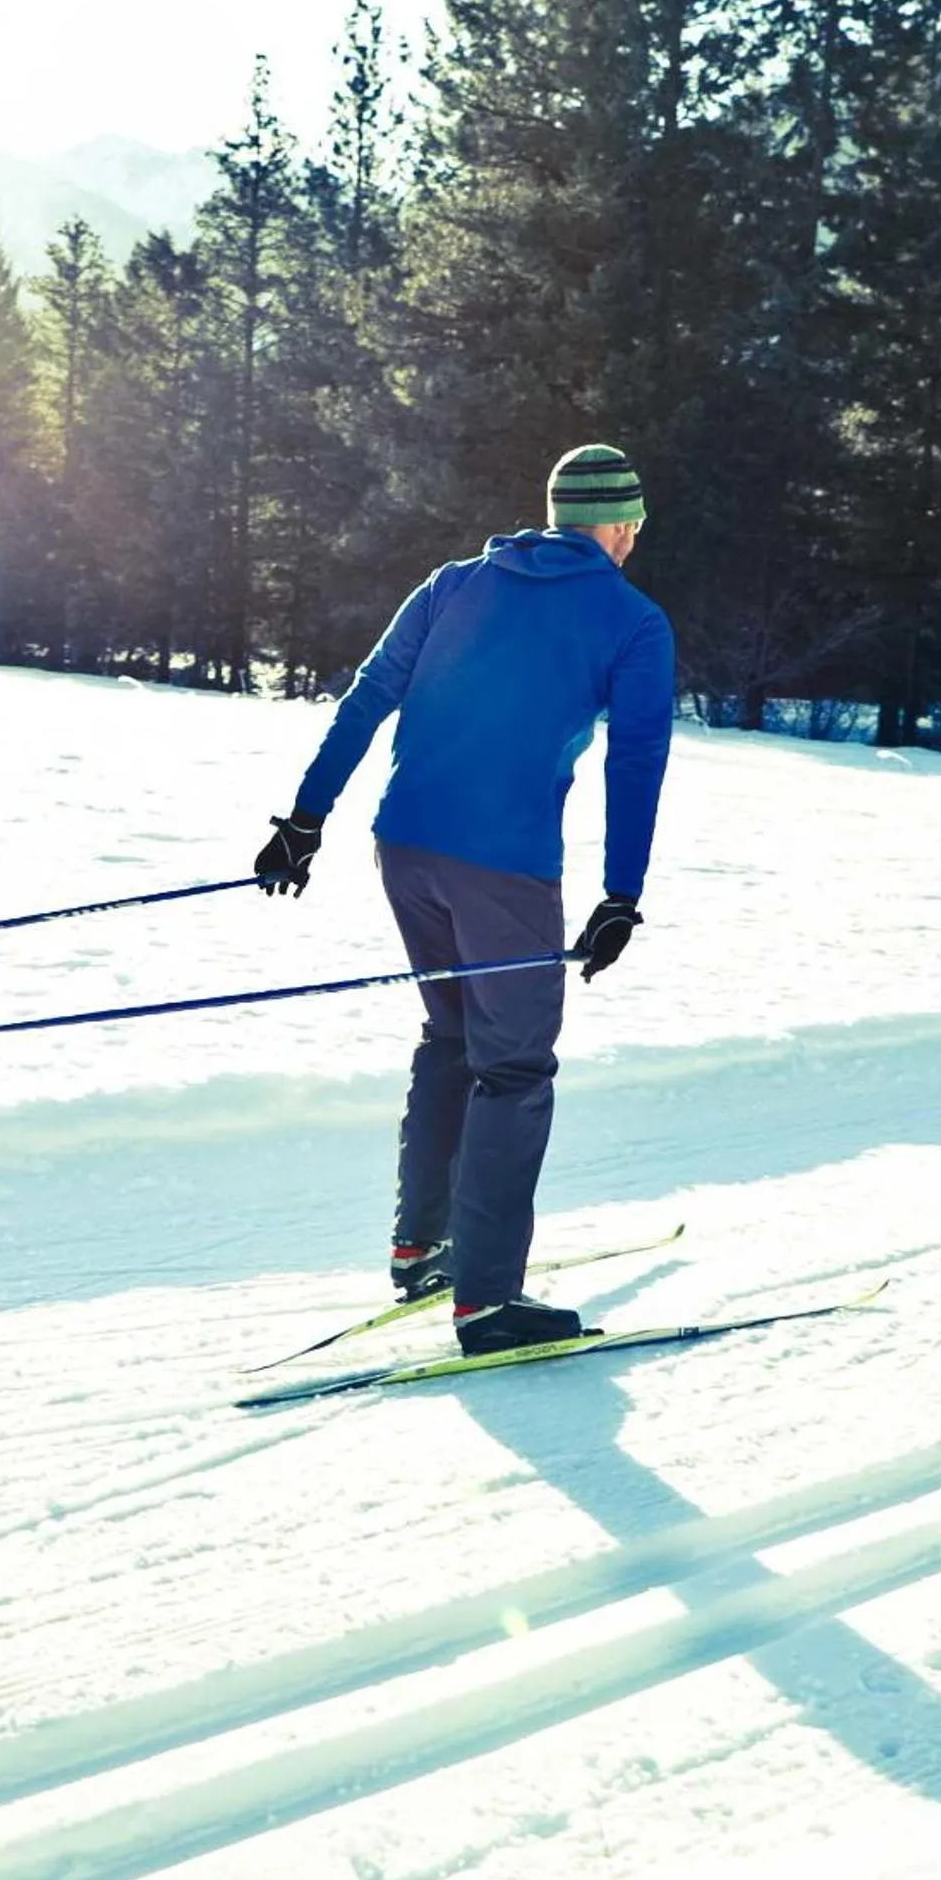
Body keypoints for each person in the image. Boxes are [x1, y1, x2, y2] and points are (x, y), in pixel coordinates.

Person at [254, 443, 676, 1356]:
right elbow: (636, 762)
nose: (635, 540)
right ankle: (487, 1298)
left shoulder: (453, 583)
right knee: (514, 1068)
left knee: (452, 1036)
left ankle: (425, 1246)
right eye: (634, 525)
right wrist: (622, 894)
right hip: (505, 869)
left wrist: (305, 818)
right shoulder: (633, 621)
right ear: (613, 526)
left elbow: (370, 696)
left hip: (404, 846)